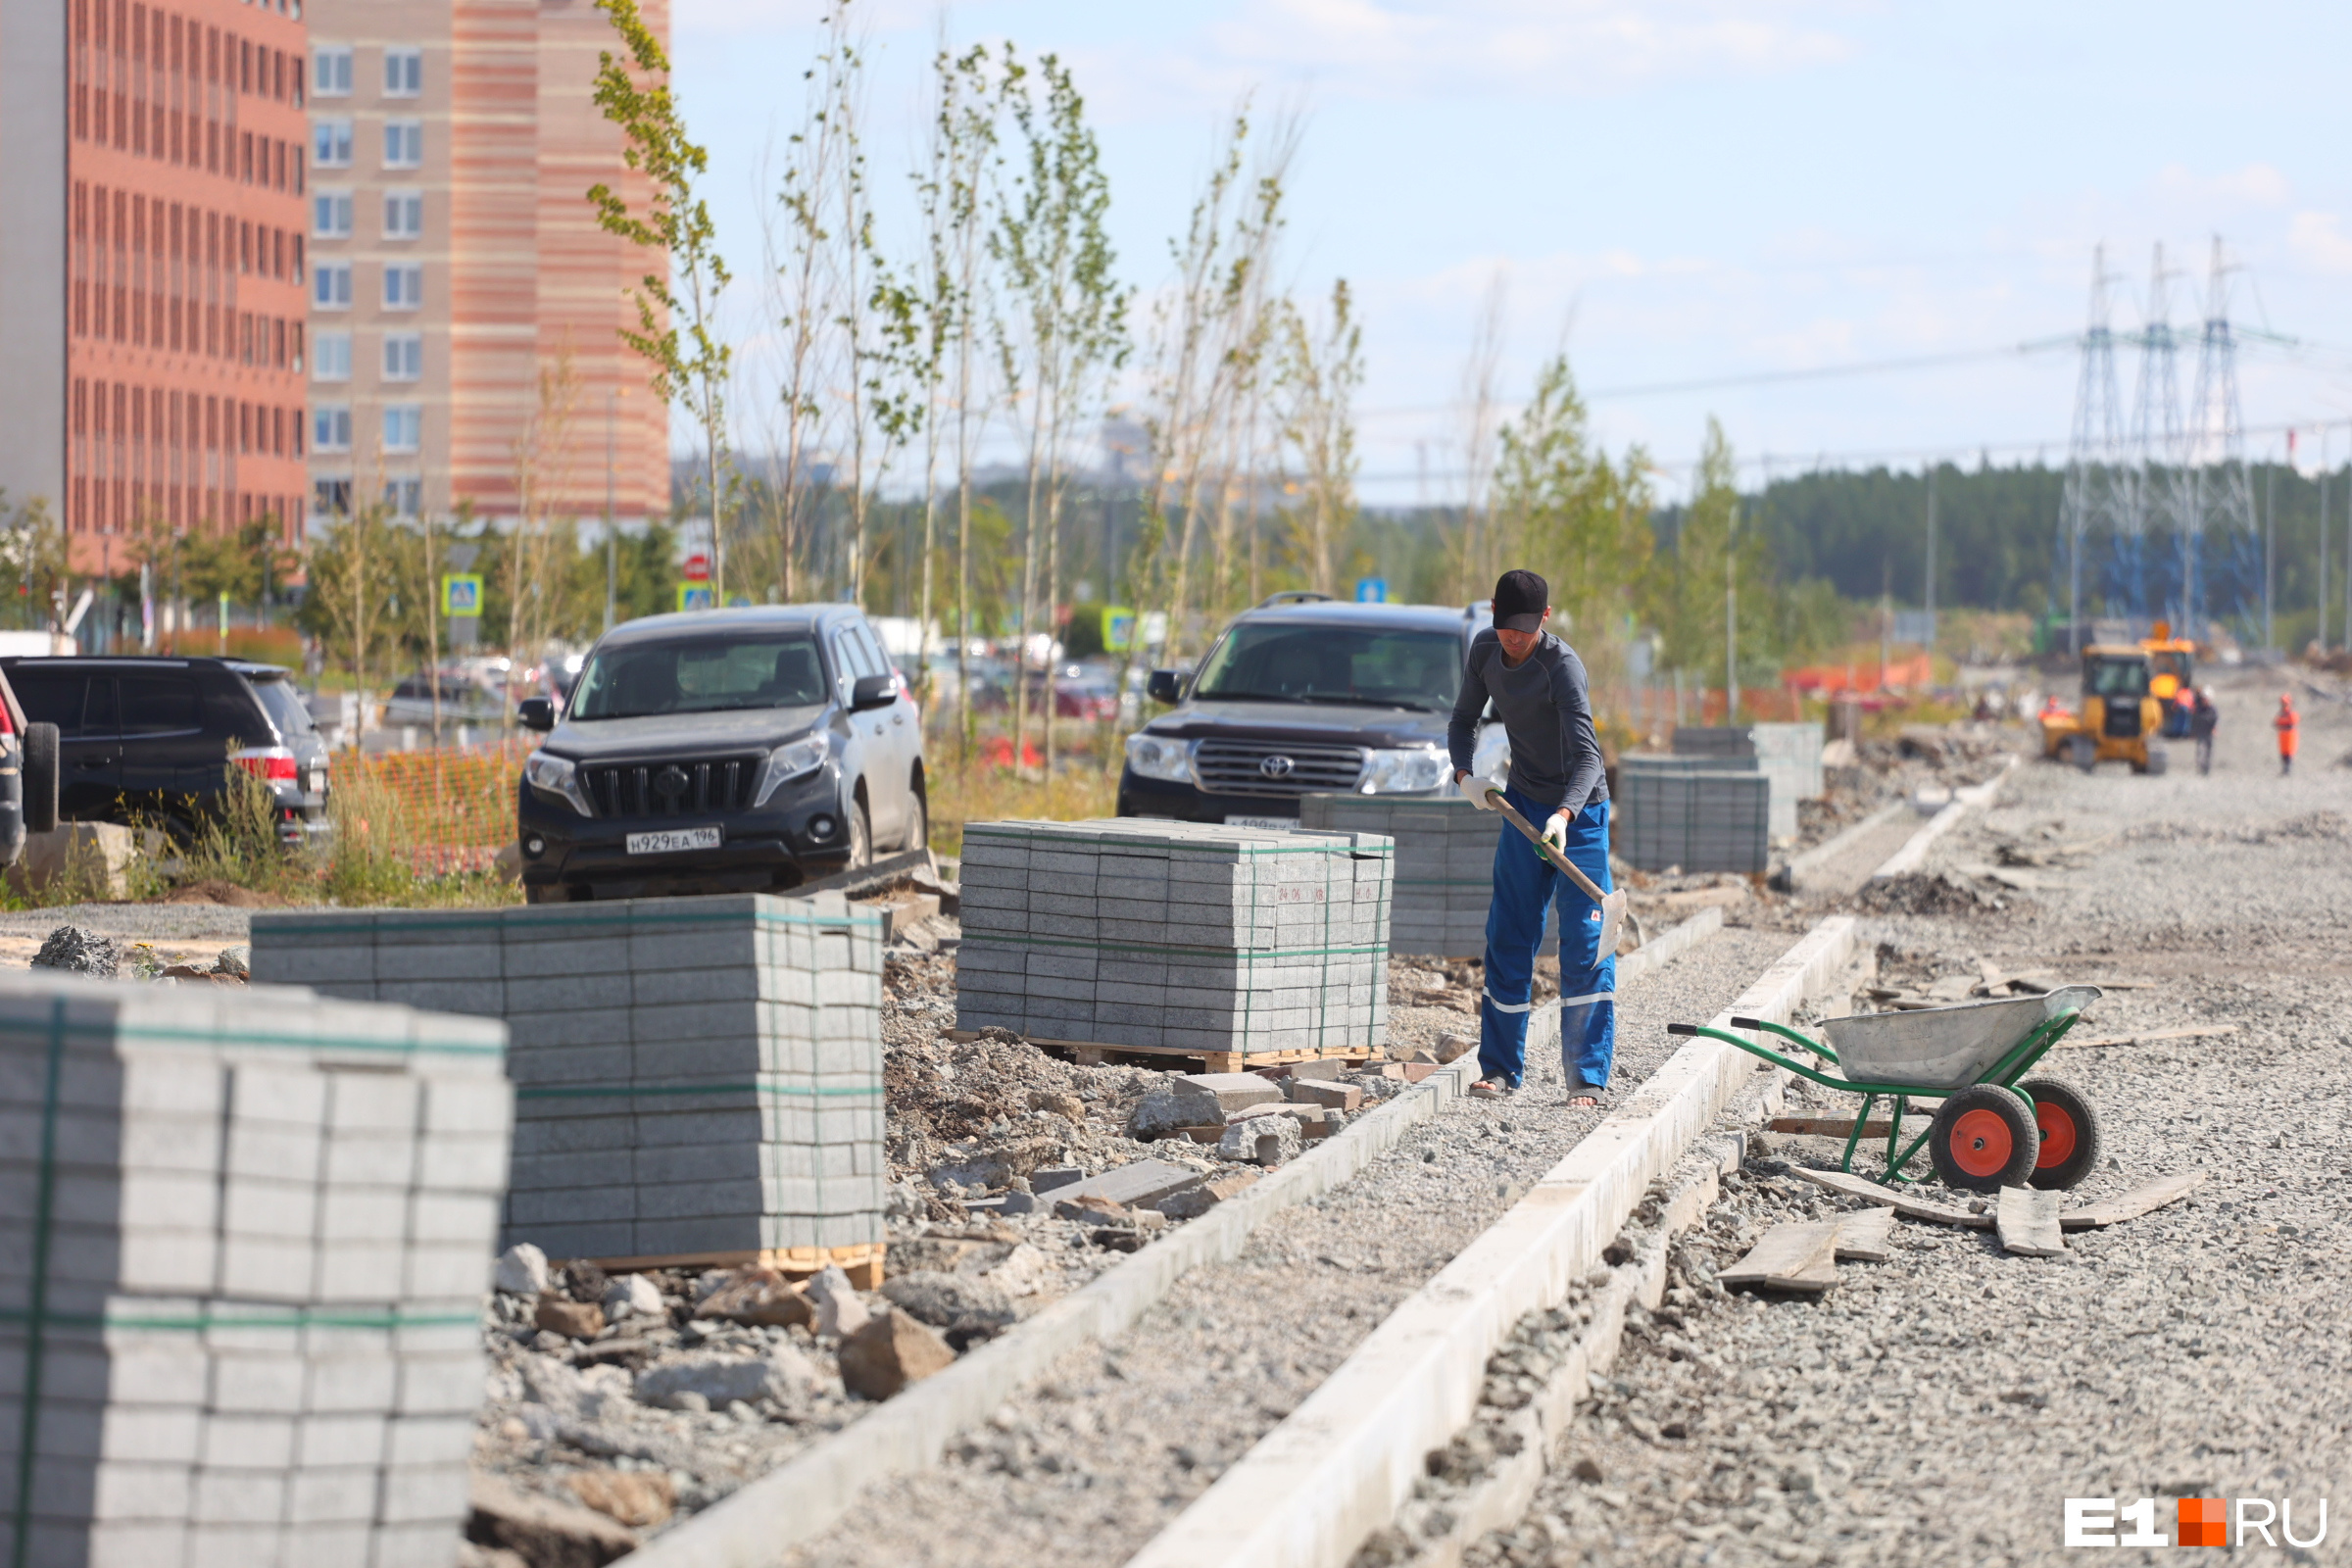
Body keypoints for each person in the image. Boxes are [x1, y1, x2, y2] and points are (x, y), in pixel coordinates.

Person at [1446, 568, 1613, 1107]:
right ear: (1493, 612)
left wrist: (1564, 816)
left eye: (1524, 628)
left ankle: (1585, 1078)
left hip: (1579, 814)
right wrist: (1464, 774)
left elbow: (1590, 757)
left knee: (1584, 947)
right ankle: (1498, 1070)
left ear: (1544, 618)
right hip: (1521, 805)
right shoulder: (1484, 650)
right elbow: (1463, 719)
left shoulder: (1562, 668)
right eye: (1504, 626)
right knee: (1510, 935)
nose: (1513, 639)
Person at [2190, 686, 2218, 776]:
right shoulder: (2198, 710)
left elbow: (2213, 719)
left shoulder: (2212, 710)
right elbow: (2195, 720)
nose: (2204, 701)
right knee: (2201, 750)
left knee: (2208, 751)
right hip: (2200, 732)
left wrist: (2213, 728)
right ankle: (2200, 768)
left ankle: (2206, 769)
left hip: (2208, 732)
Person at [2275, 693, 2299, 775]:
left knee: (2289, 753)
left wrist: (2282, 724)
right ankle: (2284, 769)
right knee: (2283, 753)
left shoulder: (2291, 713)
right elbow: (2275, 723)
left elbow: (2293, 722)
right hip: (2282, 735)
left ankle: (2288, 770)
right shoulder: (2281, 714)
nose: (2283, 705)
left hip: (2290, 735)